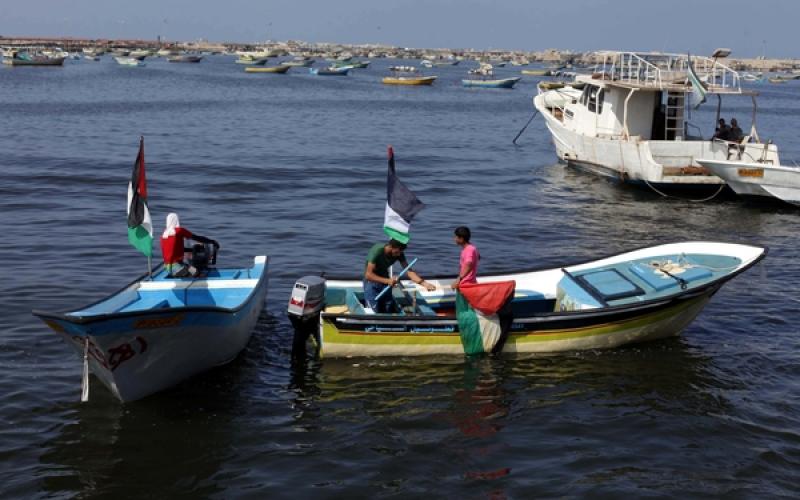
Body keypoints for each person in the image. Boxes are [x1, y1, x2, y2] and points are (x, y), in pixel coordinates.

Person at [363, 239, 436, 313]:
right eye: (398, 251)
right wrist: (388, 281)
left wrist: (425, 284)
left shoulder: (399, 253)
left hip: (385, 281)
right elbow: (368, 275)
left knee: (388, 307)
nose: (399, 255)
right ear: (391, 247)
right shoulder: (377, 250)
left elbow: (409, 272)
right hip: (371, 282)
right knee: (373, 310)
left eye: (401, 252)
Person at [161, 212, 219, 277]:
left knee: (194, 271)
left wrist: (192, 249)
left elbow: (174, 250)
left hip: (168, 267)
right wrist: (212, 241)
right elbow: (197, 238)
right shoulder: (179, 230)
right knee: (198, 275)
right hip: (177, 268)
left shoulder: (164, 235)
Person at [451, 226, 480, 291]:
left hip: (466, 286)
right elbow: (478, 258)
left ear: (461, 239)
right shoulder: (472, 248)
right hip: (470, 283)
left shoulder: (469, 250)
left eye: (456, 237)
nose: (454, 239)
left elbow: (468, 264)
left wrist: (458, 280)